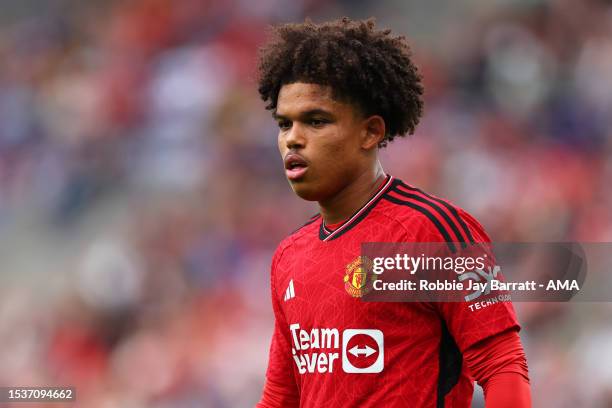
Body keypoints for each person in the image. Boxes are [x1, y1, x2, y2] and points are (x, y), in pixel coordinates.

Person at [256, 17, 530, 408]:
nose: (293, 138)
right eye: (285, 123)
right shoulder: (289, 256)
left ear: (370, 132)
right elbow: (281, 397)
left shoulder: (431, 231)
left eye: (316, 121)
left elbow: (502, 363)